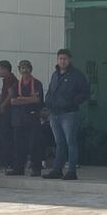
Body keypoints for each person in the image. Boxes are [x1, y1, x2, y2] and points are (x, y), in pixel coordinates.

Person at [42, 49, 90, 181]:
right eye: (60, 58)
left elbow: (85, 92)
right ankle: (57, 170)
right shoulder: (55, 75)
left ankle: (72, 171)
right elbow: (51, 90)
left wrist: (72, 102)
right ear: (57, 60)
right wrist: (48, 103)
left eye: (65, 59)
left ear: (70, 60)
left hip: (69, 113)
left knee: (71, 142)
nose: (62, 61)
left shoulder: (76, 75)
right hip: (54, 113)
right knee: (59, 143)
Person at [6, 60, 44, 177]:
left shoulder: (37, 83)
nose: (25, 70)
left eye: (27, 68)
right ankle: (18, 168)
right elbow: (12, 101)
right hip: (18, 119)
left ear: (30, 69)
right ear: (19, 70)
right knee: (19, 145)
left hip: (33, 118)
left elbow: (37, 100)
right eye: (22, 68)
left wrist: (21, 99)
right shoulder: (16, 85)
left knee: (34, 144)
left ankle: (36, 168)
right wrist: (28, 98)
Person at [0, 60, 18, 171]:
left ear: (5, 69)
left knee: (6, 136)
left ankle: (8, 161)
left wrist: (3, 105)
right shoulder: (8, 79)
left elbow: (11, 93)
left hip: (8, 111)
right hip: (9, 110)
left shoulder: (9, 79)